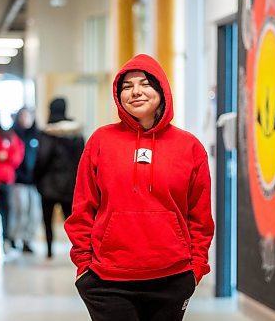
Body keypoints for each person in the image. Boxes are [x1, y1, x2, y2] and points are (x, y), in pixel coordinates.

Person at [64, 54, 215, 321]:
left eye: (145, 84)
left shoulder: (189, 147)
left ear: (162, 91)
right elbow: (82, 209)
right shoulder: (101, 141)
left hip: (172, 277)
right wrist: (84, 267)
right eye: (126, 86)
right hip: (107, 279)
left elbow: (200, 217)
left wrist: (196, 269)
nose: (135, 92)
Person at [34, 97, 84, 258]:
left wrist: (36, 177)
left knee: (47, 220)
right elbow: (82, 158)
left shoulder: (48, 133)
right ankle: (79, 250)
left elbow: (42, 158)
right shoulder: (76, 133)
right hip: (70, 185)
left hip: (49, 184)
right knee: (71, 220)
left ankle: (49, 250)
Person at [8, 107, 42, 253]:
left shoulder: (37, 135)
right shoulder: (13, 134)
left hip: (34, 181)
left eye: (29, 116)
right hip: (18, 181)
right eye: (23, 116)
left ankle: (28, 240)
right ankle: (14, 237)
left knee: (33, 213)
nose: (26, 120)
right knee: (19, 210)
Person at [0, 109, 24, 251]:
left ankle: (6, 240)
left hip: (5, 181)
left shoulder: (8, 136)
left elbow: (16, 156)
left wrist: (1, 155)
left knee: (7, 212)